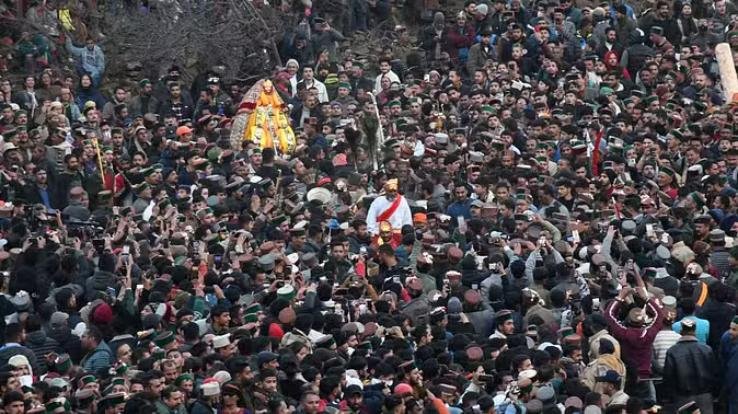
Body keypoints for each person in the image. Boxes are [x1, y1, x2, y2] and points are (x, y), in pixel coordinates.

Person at [663, 319, 717, 413]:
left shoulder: (673, 351)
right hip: (705, 397)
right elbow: (715, 373)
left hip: (683, 398)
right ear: (694, 331)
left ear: (681, 332)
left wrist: (671, 397)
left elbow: (668, 377)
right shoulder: (707, 350)